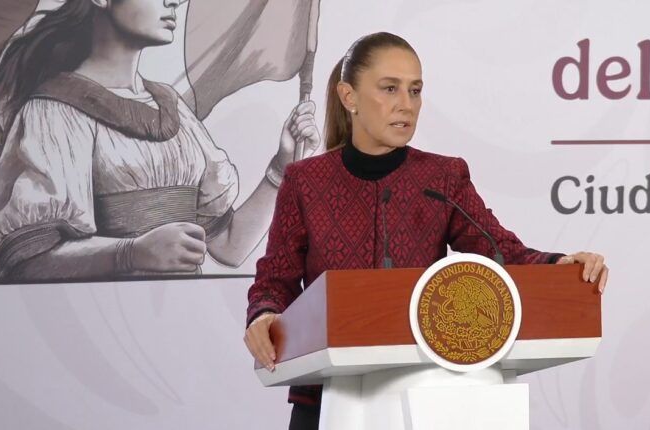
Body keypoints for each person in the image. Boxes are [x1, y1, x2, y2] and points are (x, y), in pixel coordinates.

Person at [244, 32, 609, 430]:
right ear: (349, 97)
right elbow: (274, 280)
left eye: (415, 90)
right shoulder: (305, 182)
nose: (407, 104)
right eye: (390, 88)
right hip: (326, 401)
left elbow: (501, 252)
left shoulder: (443, 177)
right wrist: (264, 315)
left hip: (422, 399)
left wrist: (559, 264)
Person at [0, 0, 320, 281]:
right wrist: (131, 254)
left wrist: (281, 168)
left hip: (181, 321)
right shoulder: (54, 111)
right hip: (102, 325)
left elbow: (229, 247)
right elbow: (24, 262)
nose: (174, 1)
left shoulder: (174, 108)